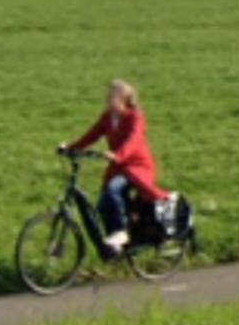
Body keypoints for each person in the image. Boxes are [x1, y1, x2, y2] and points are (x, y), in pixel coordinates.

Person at [62, 80, 172, 253]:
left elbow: (134, 139)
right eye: (108, 96)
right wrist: (71, 148)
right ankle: (114, 245)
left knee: (113, 188)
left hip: (138, 166)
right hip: (119, 166)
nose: (108, 99)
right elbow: (92, 134)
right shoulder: (107, 117)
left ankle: (121, 232)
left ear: (123, 99)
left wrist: (118, 155)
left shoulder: (135, 116)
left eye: (112, 96)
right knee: (103, 204)